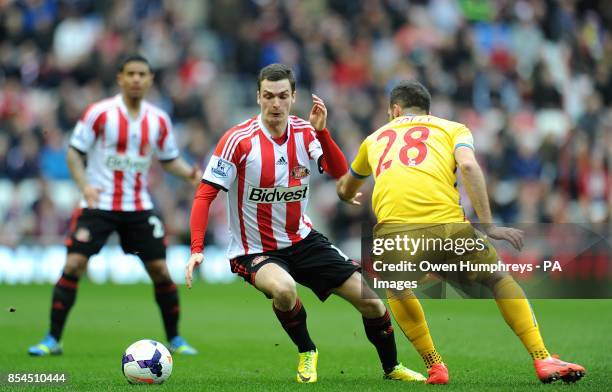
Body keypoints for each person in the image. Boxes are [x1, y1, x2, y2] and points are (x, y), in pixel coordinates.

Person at [185, 63, 425, 383]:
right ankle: (307, 351)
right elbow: (204, 195)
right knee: (284, 289)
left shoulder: (304, 130)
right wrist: (197, 248)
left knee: (371, 302)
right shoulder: (238, 140)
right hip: (254, 248)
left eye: (283, 96)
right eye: (268, 96)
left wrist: (323, 131)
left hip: (303, 239)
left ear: (293, 97)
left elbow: (339, 170)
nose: (275, 103)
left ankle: (392, 368)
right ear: (258, 97)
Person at [336, 80, 586, 384]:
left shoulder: (372, 139)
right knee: (497, 279)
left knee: (397, 288)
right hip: (448, 228)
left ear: (395, 110)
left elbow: (346, 188)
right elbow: (468, 166)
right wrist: (489, 225)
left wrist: (347, 194)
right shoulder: (452, 129)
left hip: (394, 234)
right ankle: (542, 357)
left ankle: (434, 365)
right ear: (428, 110)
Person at [28, 55, 201, 356]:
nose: (136, 79)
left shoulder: (158, 119)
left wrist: (190, 174)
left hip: (138, 207)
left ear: (150, 80)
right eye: (130, 74)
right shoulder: (100, 113)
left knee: (160, 270)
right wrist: (85, 187)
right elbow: (73, 153)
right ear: (120, 78)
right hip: (98, 204)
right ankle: (52, 339)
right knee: (73, 265)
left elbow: (168, 158)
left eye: (142, 74)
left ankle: (175, 338)